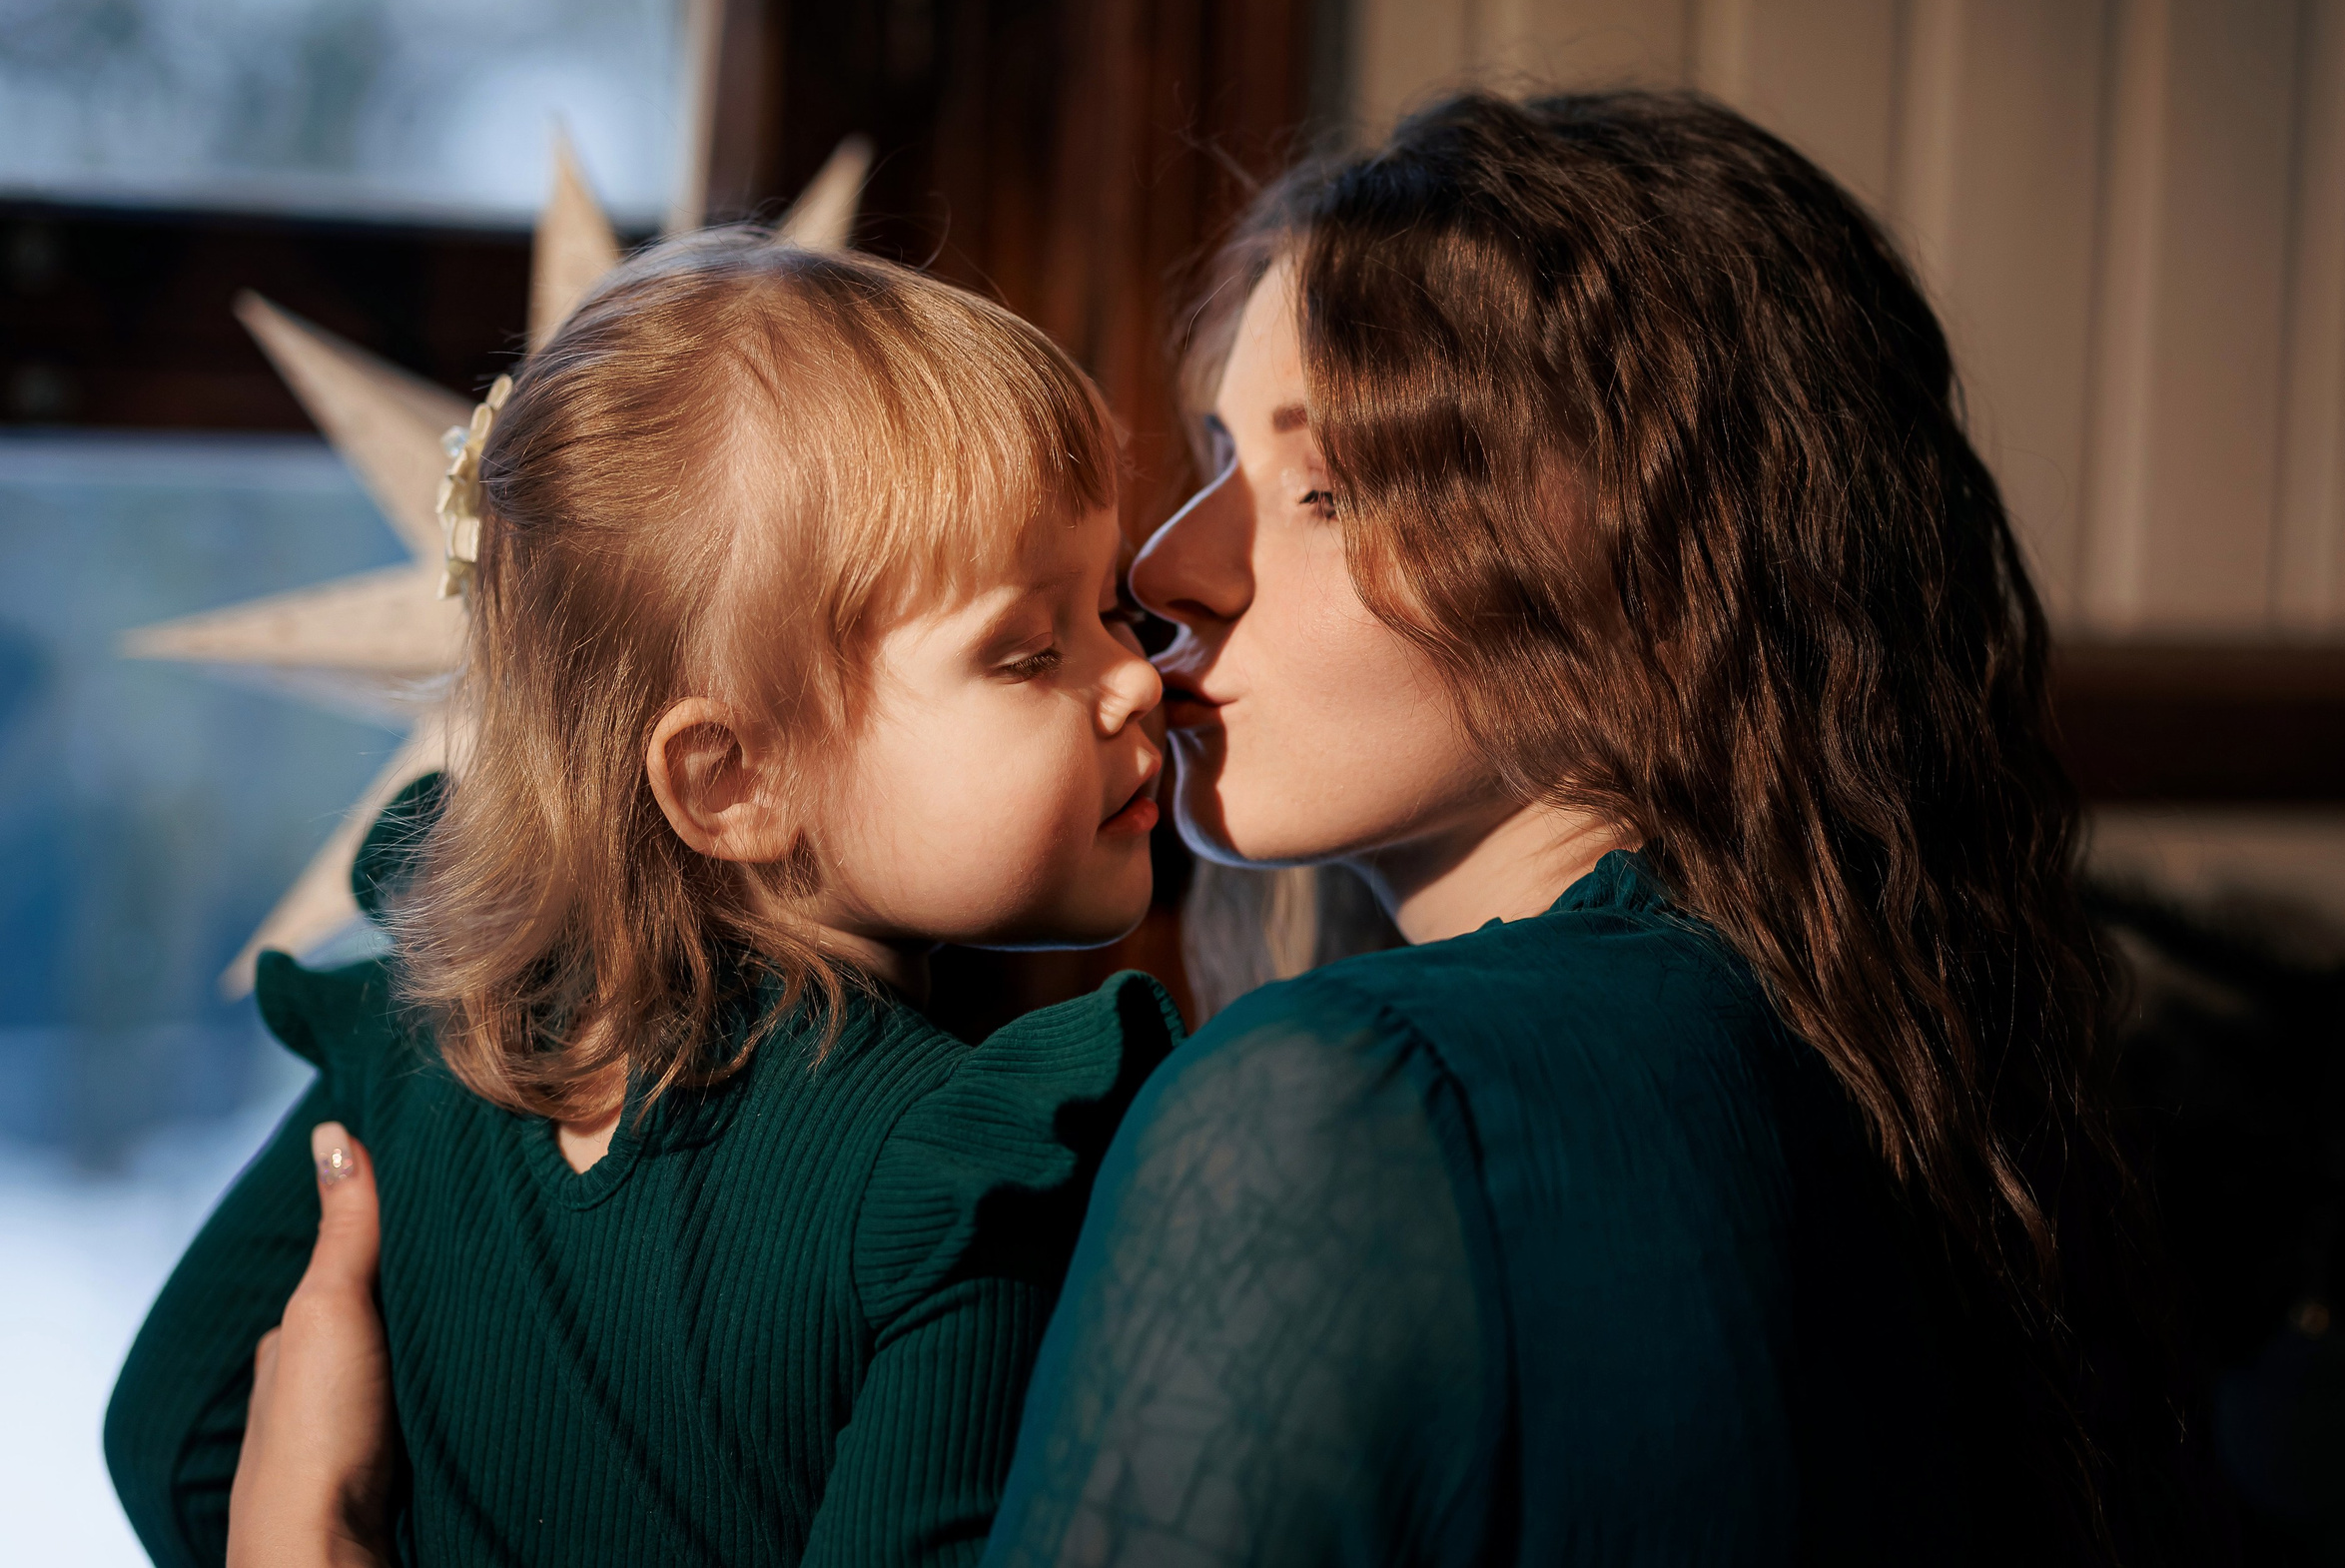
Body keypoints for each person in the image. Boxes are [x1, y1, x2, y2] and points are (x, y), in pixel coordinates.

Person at [212, 91, 2201, 1565]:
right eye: (1209, 460)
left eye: (1314, 483)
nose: (1175, 571)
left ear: (1637, 552)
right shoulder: (1820, 1053)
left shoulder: (1333, 1105)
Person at [103, 234, 1186, 1568]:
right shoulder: (952, 1171)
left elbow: (173, 1433)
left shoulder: (423, 1036)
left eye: (1115, 608)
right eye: (1030, 650)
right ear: (730, 776)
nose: (1137, 676)